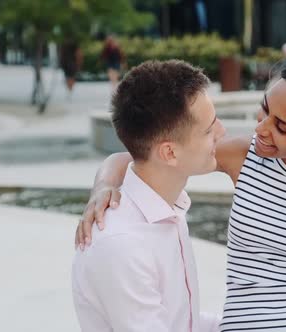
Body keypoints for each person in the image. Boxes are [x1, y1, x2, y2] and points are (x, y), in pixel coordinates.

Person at [76, 55, 286, 331]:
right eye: (265, 110)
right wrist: (104, 185)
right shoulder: (246, 157)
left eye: (282, 127)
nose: (262, 129)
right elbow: (149, 154)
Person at [72, 60, 225, 331]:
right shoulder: (123, 244)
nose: (221, 132)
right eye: (209, 129)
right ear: (169, 153)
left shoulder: (167, 209)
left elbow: (182, 321)